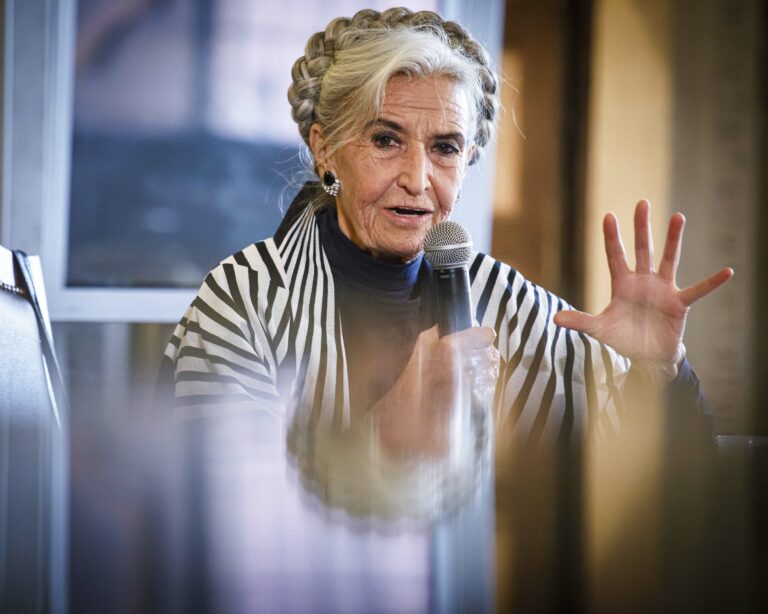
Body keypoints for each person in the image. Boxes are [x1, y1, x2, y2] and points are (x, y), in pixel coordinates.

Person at [162, 7, 731, 455]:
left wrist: (660, 371)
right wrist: (399, 414)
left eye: (445, 148)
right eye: (385, 140)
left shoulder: (505, 302)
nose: (417, 179)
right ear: (324, 148)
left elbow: (653, 483)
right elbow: (221, 516)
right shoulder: (243, 301)